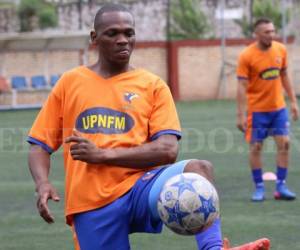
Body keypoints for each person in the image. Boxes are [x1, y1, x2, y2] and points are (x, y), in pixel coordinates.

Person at [27, 4, 270, 250]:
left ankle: (213, 248)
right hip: (91, 202)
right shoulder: (70, 82)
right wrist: (42, 183)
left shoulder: (152, 85)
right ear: (94, 38)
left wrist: (102, 155)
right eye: (112, 33)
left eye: (128, 33)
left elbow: (167, 150)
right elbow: (39, 144)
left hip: (141, 189)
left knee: (199, 169)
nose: (123, 40)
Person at [236, 17, 299, 202]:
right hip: (257, 111)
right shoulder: (246, 56)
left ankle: (281, 187)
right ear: (256, 34)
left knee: (285, 144)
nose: (271, 35)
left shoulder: (281, 49)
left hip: (278, 109)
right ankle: (259, 188)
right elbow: (241, 87)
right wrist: (240, 114)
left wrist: (294, 102)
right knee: (256, 147)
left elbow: (285, 75)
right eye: (267, 32)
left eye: (273, 31)